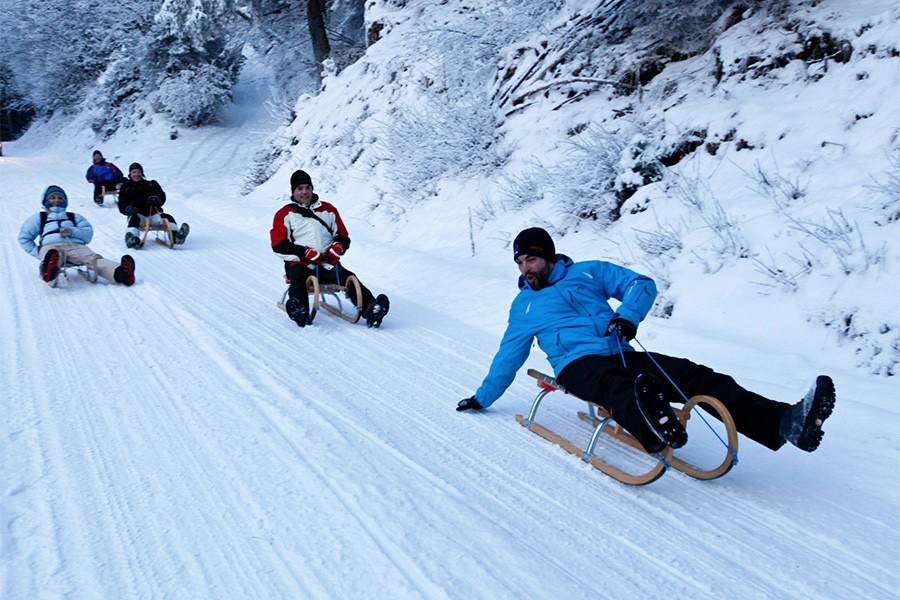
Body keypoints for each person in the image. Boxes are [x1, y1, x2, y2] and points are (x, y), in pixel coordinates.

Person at [456, 227, 836, 455]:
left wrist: (627, 317)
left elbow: (641, 284)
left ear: (548, 256)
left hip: (619, 347)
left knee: (693, 375)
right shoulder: (523, 306)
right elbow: (508, 355)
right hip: (577, 365)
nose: (525, 269)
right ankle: (654, 428)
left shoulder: (589, 273)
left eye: (530, 260)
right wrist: (482, 397)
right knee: (618, 387)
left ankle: (784, 422)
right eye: (520, 263)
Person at [270, 169, 390, 328]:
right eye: (300, 188)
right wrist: (303, 252)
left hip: (327, 263)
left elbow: (343, 236)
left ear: (312, 188)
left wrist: (338, 247)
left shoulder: (328, 210)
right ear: (293, 191)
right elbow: (278, 244)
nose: (304, 192)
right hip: (300, 264)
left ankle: (370, 309)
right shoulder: (285, 213)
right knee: (298, 282)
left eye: (307, 187)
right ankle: (300, 310)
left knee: (349, 278)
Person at [18, 185, 136, 286]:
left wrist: (72, 231)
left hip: (74, 245)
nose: (56, 200)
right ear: (46, 201)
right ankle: (48, 270)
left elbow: (87, 234)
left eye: (60, 198)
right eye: (52, 198)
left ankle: (121, 273)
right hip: (50, 246)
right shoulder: (39, 217)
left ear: (65, 200)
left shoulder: (73, 217)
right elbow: (24, 238)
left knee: (93, 259)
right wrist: (38, 252)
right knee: (53, 256)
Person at [118, 162, 190, 248]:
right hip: (137, 214)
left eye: (138, 172)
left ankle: (176, 237)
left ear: (142, 173)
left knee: (168, 218)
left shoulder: (151, 184)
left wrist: (157, 199)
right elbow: (121, 204)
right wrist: (127, 209)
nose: (136, 174)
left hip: (154, 213)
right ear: (130, 174)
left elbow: (161, 196)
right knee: (134, 220)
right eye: (134, 172)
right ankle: (131, 239)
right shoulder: (125, 187)